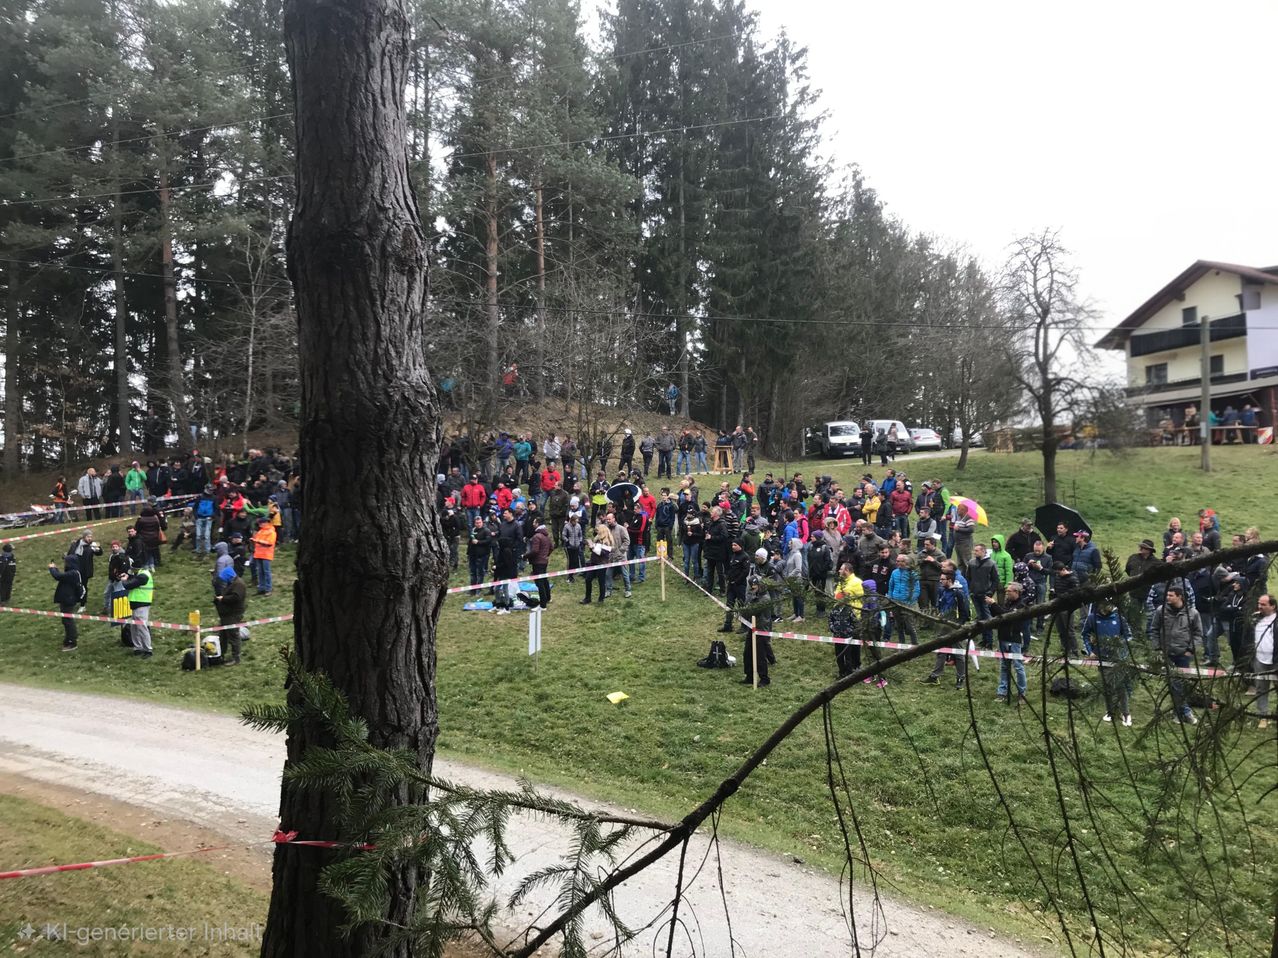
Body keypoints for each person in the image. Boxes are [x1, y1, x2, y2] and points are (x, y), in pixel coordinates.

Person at [1150, 585, 1202, 724]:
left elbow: (1198, 634)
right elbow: (1154, 630)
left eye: (1171, 595)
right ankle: (1183, 712)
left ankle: (1180, 711)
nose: (1167, 597)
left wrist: (1190, 650)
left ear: (1180, 597)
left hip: (1183, 655)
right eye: (1167, 595)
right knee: (1174, 684)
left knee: (1182, 684)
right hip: (1166, 654)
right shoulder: (1160, 611)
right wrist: (1157, 648)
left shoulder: (1193, 613)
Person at [1082, 601, 1135, 725]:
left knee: (1120, 685)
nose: (1110, 607)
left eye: (1112, 605)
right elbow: (1085, 634)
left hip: (1118, 658)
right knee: (1107, 685)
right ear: (1101, 605)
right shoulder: (1092, 618)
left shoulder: (1119, 618)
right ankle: (1110, 711)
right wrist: (1090, 651)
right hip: (1101, 657)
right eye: (1107, 604)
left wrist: (1122, 652)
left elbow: (1128, 636)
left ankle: (1126, 713)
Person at [924, 570, 970, 688]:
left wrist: (958, 625)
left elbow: (965, 612)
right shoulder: (941, 590)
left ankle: (960, 678)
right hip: (943, 627)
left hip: (954, 627)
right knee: (941, 652)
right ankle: (935, 676)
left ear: (949, 580)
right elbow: (940, 605)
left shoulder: (958, 593)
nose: (940, 581)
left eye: (942, 579)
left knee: (958, 653)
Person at [740, 548, 778, 687]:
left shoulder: (765, 599)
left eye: (753, 587)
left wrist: (741, 611)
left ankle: (764, 678)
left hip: (762, 628)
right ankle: (749, 675)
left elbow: (751, 611)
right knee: (747, 653)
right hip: (753, 627)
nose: (751, 589)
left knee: (760, 656)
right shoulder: (755, 595)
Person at [991, 582, 1028, 705]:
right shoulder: (1008, 602)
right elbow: (999, 614)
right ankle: (1002, 692)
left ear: (1016, 592)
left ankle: (1022, 693)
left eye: (1009, 591)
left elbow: (1006, 616)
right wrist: (992, 607)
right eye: (1006, 591)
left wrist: (994, 604)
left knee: (1018, 666)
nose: (1006, 593)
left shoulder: (1021, 605)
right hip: (1003, 638)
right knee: (1004, 666)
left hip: (1014, 639)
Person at [831, 563, 863, 678]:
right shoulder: (842, 581)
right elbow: (837, 595)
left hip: (854, 616)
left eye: (841, 569)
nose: (839, 571)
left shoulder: (856, 582)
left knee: (855, 643)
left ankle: (856, 665)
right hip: (841, 616)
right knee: (844, 646)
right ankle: (846, 668)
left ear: (847, 570)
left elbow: (861, 598)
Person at [966, 542, 998, 649]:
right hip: (974, 594)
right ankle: (984, 639)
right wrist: (970, 589)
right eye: (974, 550)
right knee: (980, 617)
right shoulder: (971, 563)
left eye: (977, 550)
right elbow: (968, 577)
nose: (975, 552)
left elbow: (995, 580)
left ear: (983, 551)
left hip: (985, 595)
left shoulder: (991, 564)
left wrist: (990, 593)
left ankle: (989, 641)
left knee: (987, 618)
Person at [213, 565, 247, 665]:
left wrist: (222, 599)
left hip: (233, 614)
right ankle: (220, 655)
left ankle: (236, 658)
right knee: (223, 635)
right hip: (227, 614)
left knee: (233, 635)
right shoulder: (233, 583)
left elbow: (235, 598)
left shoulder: (239, 584)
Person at [49, 556, 84, 651]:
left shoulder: (73, 573)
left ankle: (72, 641)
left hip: (68, 600)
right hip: (67, 599)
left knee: (68, 621)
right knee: (66, 620)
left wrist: (52, 568)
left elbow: (58, 576)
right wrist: (55, 568)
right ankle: (69, 639)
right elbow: (61, 576)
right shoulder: (73, 572)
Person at [119, 564, 154, 658]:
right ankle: (138, 647)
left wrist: (124, 580)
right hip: (136, 604)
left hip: (142, 604)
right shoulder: (141, 574)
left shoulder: (143, 576)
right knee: (134, 627)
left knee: (142, 628)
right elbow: (134, 579)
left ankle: (147, 649)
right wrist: (128, 577)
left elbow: (129, 585)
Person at [886, 552, 919, 644]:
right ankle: (901, 645)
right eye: (897, 561)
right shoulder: (894, 572)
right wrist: (890, 598)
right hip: (896, 602)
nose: (898, 563)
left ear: (906, 562)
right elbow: (891, 586)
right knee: (898, 625)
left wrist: (911, 600)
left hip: (907, 603)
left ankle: (915, 644)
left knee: (909, 625)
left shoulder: (912, 574)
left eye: (900, 561)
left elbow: (916, 589)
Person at [1253, 594, 1276, 728]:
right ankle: (1263, 716)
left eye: (1263, 604)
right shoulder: (1255, 618)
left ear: (1272, 606)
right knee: (1261, 688)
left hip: (1275, 660)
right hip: (1260, 659)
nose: (1260, 607)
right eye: (1259, 604)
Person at [580, 523, 612, 604]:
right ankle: (587, 598)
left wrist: (593, 547)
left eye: (598, 530)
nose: (597, 532)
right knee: (588, 579)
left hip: (601, 564)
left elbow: (602, 553)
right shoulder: (597, 539)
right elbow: (595, 551)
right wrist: (591, 545)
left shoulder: (607, 542)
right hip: (593, 562)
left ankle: (601, 599)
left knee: (601, 581)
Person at [67, 530, 102, 597]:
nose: (90, 538)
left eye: (91, 537)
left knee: (83, 586)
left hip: (85, 570)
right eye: (88, 536)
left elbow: (99, 553)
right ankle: (75, 599)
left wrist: (98, 548)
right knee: (74, 585)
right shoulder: (76, 544)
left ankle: (83, 604)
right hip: (75, 569)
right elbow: (70, 554)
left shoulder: (91, 546)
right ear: (83, 537)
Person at [251, 517, 277, 596]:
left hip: (266, 554)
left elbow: (269, 543)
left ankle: (268, 589)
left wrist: (257, 541)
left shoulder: (271, 532)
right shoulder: (260, 531)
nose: (259, 525)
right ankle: (261, 588)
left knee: (266, 572)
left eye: (261, 523)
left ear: (266, 522)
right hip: (258, 554)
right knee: (260, 572)